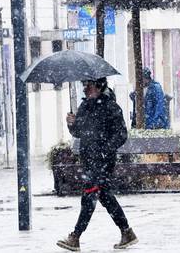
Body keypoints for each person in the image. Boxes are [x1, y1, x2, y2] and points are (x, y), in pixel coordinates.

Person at [57, 78, 138, 251]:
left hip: (103, 161)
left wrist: (105, 149)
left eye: (89, 85)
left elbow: (121, 134)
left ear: (99, 86)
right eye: (84, 85)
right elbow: (78, 132)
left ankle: (75, 237)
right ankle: (127, 231)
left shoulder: (111, 107)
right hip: (88, 160)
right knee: (105, 196)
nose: (85, 88)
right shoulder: (85, 106)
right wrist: (71, 123)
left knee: (89, 195)